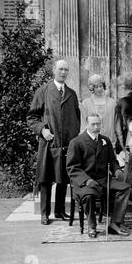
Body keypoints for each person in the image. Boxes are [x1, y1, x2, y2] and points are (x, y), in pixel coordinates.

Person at [27, 59, 80, 225]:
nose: (63, 72)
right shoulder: (43, 91)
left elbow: (76, 118)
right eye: (60, 69)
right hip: (49, 143)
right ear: (54, 70)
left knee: (63, 178)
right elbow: (32, 117)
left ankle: (59, 211)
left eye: (66, 70)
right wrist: (42, 129)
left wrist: (73, 137)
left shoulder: (71, 94)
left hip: (66, 143)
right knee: (46, 179)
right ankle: (45, 213)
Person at [66, 113, 131, 238]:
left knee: (125, 188)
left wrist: (117, 170)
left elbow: (112, 161)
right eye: (93, 124)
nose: (96, 127)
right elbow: (72, 167)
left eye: (98, 124)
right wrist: (87, 180)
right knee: (89, 195)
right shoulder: (76, 142)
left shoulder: (105, 140)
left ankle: (115, 223)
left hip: (103, 179)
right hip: (85, 182)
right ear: (87, 125)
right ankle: (92, 226)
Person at [80, 74, 117, 148]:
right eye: (96, 87)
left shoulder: (112, 103)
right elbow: (83, 125)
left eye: (101, 86)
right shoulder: (86, 103)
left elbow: (116, 124)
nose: (99, 89)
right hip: (91, 145)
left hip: (110, 143)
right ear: (92, 88)